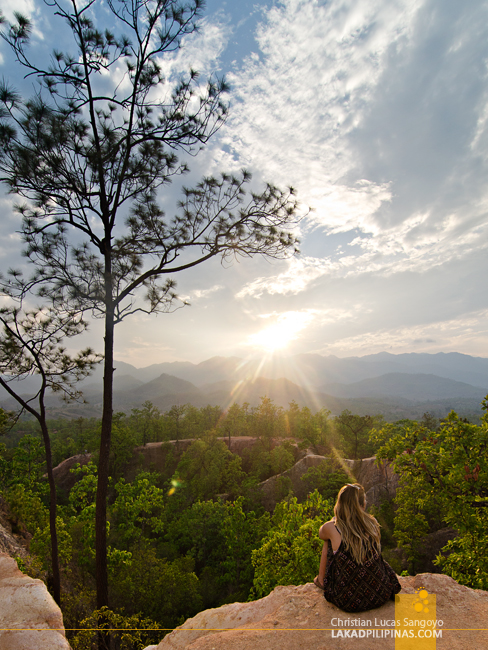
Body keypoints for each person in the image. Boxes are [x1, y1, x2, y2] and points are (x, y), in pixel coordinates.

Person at [314, 483, 401, 612]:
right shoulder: (372, 524)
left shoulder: (332, 528)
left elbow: (321, 534)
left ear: (340, 504)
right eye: (364, 500)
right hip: (380, 593)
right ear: (362, 505)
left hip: (348, 601)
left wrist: (334, 520)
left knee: (328, 541)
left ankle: (321, 580)